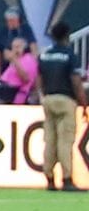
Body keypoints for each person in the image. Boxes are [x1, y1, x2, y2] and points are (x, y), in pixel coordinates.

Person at [35, 21, 86, 191]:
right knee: (65, 141)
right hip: (65, 99)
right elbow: (76, 81)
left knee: (50, 140)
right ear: (66, 36)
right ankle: (67, 178)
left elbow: (38, 79)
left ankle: (49, 178)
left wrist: (42, 96)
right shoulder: (69, 55)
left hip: (48, 99)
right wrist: (83, 103)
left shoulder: (44, 55)